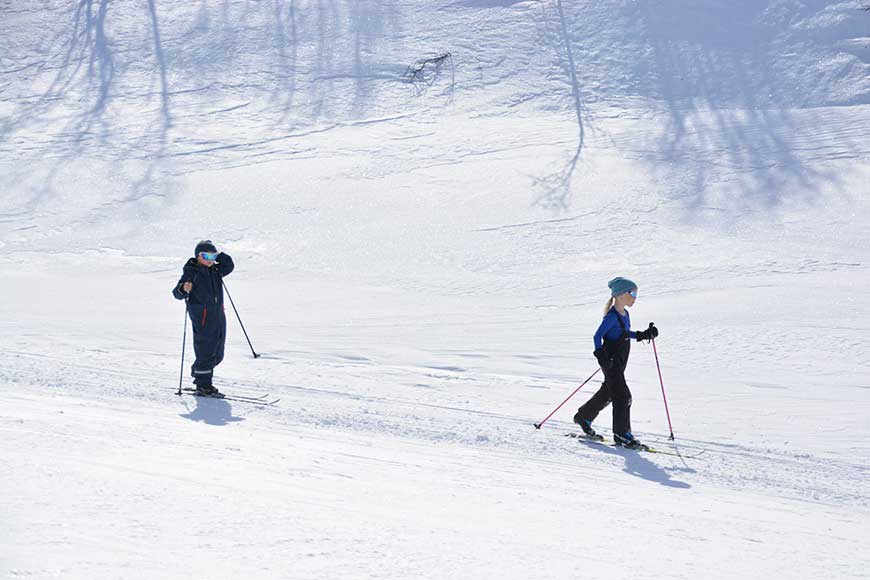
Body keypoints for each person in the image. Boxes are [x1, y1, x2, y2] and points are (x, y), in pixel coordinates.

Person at [573, 277, 658, 449]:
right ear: (620, 295)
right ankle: (622, 433)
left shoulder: (625, 314)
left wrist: (644, 335)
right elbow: (597, 336)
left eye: (636, 294)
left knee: (609, 391)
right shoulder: (611, 317)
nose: (635, 297)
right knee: (623, 396)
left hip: (619, 361)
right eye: (632, 293)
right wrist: (601, 356)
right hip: (610, 363)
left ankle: (584, 416)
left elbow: (625, 333)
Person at [172, 240, 235, 396]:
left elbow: (229, 266)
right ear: (198, 256)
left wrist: (219, 255)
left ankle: (199, 371)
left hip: (218, 315)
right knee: (206, 350)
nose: (210, 259)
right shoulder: (192, 272)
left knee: (218, 351)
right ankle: (203, 384)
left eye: (212, 255)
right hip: (203, 317)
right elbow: (176, 293)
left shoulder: (215, 270)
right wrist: (183, 289)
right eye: (206, 255)